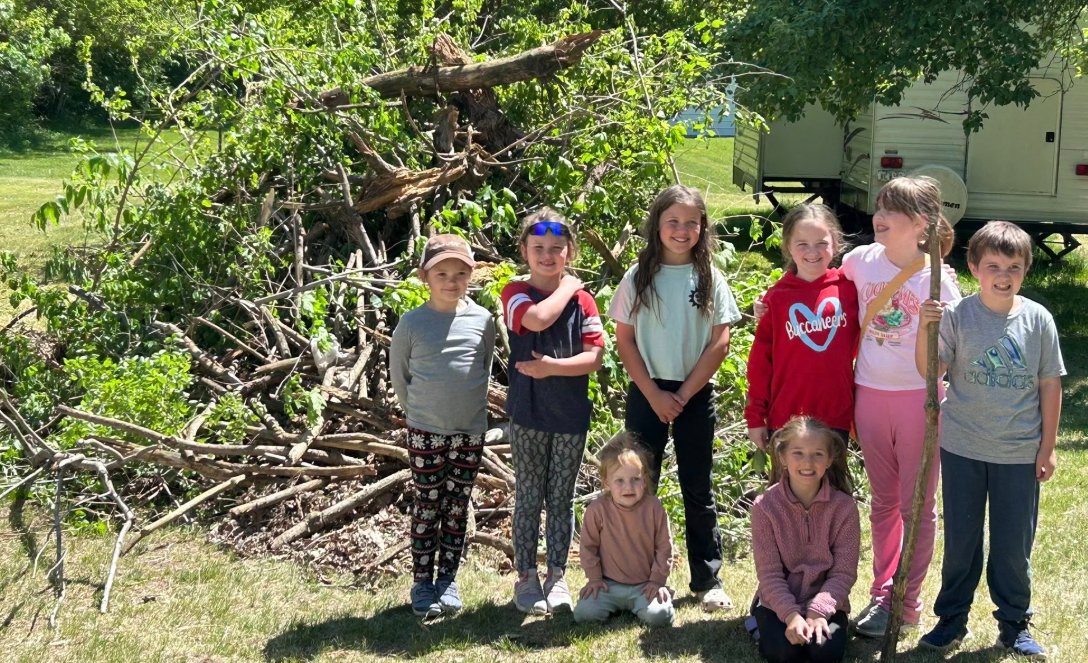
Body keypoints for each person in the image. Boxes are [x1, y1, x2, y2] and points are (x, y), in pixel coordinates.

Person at [915, 221, 1064, 657]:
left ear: (1025, 270)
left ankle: (1014, 623)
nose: (1004, 275)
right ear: (974, 268)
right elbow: (931, 371)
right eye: (993, 266)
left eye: (1014, 267)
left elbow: (1050, 384)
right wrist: (923, 331)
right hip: (962, 447)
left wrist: (1048, 446)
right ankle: (951, 620)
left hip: (1018, 452)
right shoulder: (958, 316)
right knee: (961, 541)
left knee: (1012, 545)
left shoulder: (1037, 319)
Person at [608, 184, 742, 612]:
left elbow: (720, 342)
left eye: (691, 223)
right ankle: (632, 576)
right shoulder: (638, 277)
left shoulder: (708, 277)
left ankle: (707, 579)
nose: (682, 230)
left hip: (694, 393)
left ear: (703, 227)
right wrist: (653, 393)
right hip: (647, 390)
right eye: (673, 222)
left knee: (697, 487)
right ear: (657, 225)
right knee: (636, 484)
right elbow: (624, 340)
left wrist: (682, 394)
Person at [844, 176, 962, 638]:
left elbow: (952, 350)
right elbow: (818, 287)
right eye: (879, 206)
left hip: (920, 402)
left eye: (890, 210)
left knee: (918, 507)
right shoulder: (859, 262)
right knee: (883, 503)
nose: (878, 216)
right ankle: (880, 594)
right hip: (868, 397)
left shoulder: (939, 280)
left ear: (919, 224)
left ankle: (905, 603)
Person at [500, 208, 606, 614]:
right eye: (539, 247)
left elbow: (595, 357)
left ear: (569, 252)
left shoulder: (585, 302)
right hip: (527, 412)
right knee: (529, 494)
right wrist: (569, 287)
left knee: (561, 498)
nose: (548, 255)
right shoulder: (515, 292)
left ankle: (557, 575)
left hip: (570, 414)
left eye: (557, 249)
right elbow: (539, 318)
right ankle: (526, 576)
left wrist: (552, 369)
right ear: (525, 251)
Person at [390, 234, 497, 618]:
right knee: (427, 505)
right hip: (425, 430)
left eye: (461, 273)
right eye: (442, 273)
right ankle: (422, 582)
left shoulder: (483, 321)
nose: (452, 281)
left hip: (469, 431)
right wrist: (420, 414)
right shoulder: (412, 323)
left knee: (456, 507)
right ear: (424, 276)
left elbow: (482, 370)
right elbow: (400, 377)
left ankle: (448, 580)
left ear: (472, 276)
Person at [745, 204, 859, 450]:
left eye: (821, 243)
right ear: (787, 246)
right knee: (786, 488)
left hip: (835, 416)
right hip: (786, 418)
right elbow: (760, 364)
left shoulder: (850, 289)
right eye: (802, 244)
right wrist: (755, 416)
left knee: (832, 488)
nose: (812, 252)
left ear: (836, 243)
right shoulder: (776, 299)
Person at [751, 416, 860, 663]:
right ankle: (757, 622)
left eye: (817, 454)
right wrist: (791, 616)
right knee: (785, 653)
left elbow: (843, 573)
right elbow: (769, 574)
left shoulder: (844, 508)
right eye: (798, 453)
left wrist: (817, 613)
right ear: (783, 457)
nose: (807, 462)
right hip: (777, 606)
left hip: (827, 606)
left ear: (830, 459)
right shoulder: (765, 507)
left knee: (824, 652)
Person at [574, 432, 675, 627]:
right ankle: (609, 603)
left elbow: (664, 547)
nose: (628, 487)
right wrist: (594, 579)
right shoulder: (597, 510)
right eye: (619, 481)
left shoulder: (654, 508)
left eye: (635, 479)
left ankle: (659, 598)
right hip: (608, 584)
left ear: (644, 480)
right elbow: (588, 547)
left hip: (644, 585)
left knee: (660, 616)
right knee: (583, 614)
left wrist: (657, 581)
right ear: (606, 483)